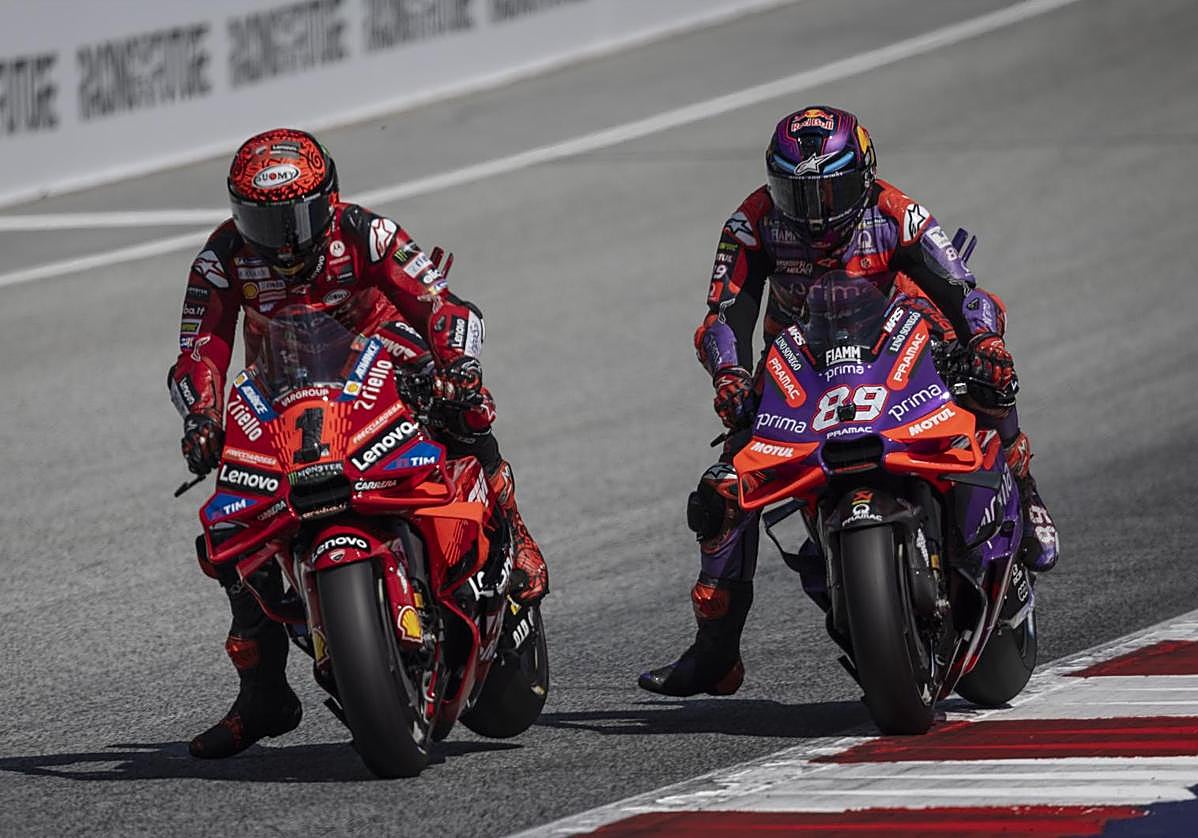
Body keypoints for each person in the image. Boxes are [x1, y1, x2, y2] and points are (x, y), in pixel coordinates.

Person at [638, 106, 1059, 698]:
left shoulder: (897, 212)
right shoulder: (752, 222)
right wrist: (730, 376)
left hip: (902, 346)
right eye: (797, 193)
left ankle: (1025, 485)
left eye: (830, 191)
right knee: (721, 494)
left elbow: (963, 289)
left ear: (862, 175)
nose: (814, 212)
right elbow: (723, 315)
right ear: (773, 184)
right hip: (802, 368)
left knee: (990, 377)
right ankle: (716, 653)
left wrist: (983, 340)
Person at [168, 128, 548, 757]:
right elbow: (198, 349)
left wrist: (454, 359)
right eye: (263, 220)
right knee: (231, 523)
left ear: (329, 198)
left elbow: (440, 303)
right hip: (288, 391)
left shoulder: (366, 233)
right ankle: (264, 692)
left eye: (296, 215)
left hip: (386, 363)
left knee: (466, 408)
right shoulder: (222, 257)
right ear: (237, 215)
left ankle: (515, 529)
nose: (284, 236)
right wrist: (202, 415)